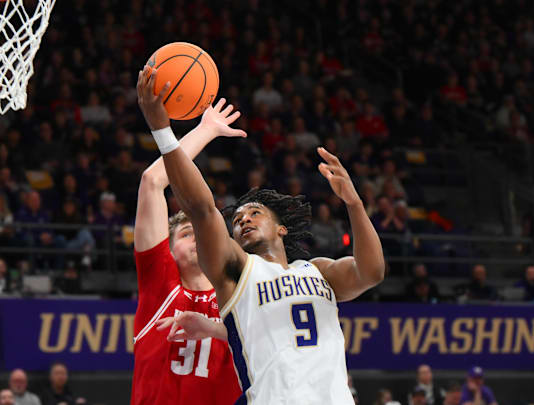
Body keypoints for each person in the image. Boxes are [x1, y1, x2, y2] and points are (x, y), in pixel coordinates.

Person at [138, 65, 384, 404]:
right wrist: (162, 130)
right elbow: (202, 208)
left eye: (255, 213)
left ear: (281, 227)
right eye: (237, 220)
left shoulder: (319, 271)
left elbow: (371, 272)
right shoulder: (237, 273)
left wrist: (354, 203)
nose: (244, 220)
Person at [130, 70, 243, 405]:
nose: (196, 238)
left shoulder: (236, 295)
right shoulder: (159, 281)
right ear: (168, 249)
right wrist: (205, 130)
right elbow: (152, 181)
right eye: (184, 232)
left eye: (200, 231)